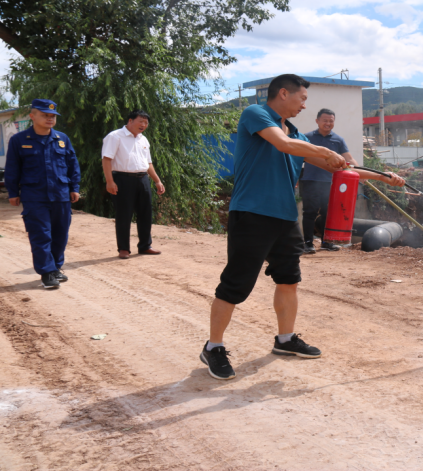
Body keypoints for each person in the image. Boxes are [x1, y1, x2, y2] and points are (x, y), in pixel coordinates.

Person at [201, 74, 404, 380]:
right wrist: (323, 151)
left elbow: (338, 168)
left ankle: (285, 340)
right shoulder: (256, 114)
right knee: (236, 284)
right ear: (283, 93)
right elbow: (283, 145)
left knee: (289, 279)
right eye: (302, 99)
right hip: (251, 213)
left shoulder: (299, 135)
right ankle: (213, 347)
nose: (304, 105)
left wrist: (381, 177)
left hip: (284, 218)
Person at [5, 99, 81, 289]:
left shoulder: (62, 139)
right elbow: (12, 168)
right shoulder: (19, 140)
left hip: (61, 194)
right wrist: (13, 192)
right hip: (34, 195)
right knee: (41, 234)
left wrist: (75, 188)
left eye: (52, 116)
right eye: (45, 115)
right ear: (32, 116)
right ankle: (46, 272)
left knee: (60, 234)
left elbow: (73, 165)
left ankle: (55, 267)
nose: (49, 118)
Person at [101, 110, 166, 260]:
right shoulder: (115, 136)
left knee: (145, 213)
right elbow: (106, 160)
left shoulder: (143, 140)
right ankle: (124, 248)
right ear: (130, 121)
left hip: (142, 179)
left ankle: (145, 246)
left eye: (146, 122)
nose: (143, 125)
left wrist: (157, 181)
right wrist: (110, 181)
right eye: (141, 121)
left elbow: (148, 163)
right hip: (122, 179)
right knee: (124, 214)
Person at [299, 108, 358, 254]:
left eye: (331, 121)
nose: (328, 123)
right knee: (309, 213)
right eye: (325, 120)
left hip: (330, 183)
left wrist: (360, 173)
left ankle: (327, 242)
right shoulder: (307, 137)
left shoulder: (338, 140)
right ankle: (307, 243)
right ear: (317, 121)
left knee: (328, 213)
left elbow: (349, 159)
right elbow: (297, 157)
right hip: (309, 180)